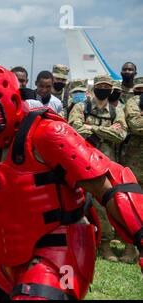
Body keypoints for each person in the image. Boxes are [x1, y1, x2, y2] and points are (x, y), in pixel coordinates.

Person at [0, 66, 143, 300]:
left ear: (10, 103)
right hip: (9, 258)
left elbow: (110, 186)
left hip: (59, 253)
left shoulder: (49, 133)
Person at [69, 75, 128, 262]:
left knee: (104, 206)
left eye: (107, 87)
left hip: (105, 165)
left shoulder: (115, 110)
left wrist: (92, 128)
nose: (103, 89)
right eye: (100, 86)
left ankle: (105, 244)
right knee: (78, 203)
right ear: (94, 87)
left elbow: (121, 134)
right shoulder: (81, 107)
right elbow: (75, 129)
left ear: (111, 90)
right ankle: (76, 242)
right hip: (82, 163)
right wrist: (107, 130)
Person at [120, 76, 143, 264]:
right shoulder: (134, 100)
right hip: (136, 162)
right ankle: (130, 247)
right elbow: (135, 125)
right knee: (132, 206)